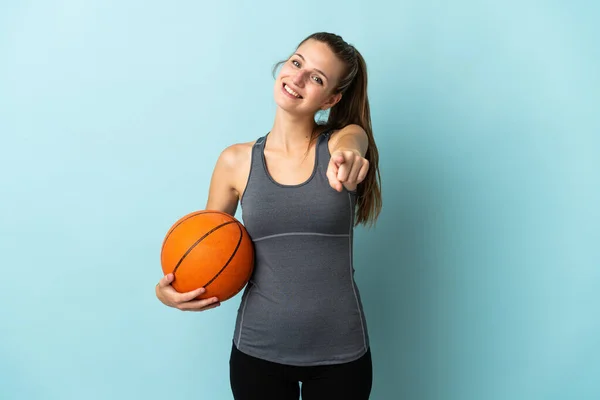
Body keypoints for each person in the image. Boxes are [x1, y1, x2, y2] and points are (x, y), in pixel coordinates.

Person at [155, 32, 382, 400]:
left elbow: (354, 141)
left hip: (341, 354)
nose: (298, 77)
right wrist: (169, 291)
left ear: (331, 99)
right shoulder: (235, 161)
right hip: (257, 353)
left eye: (317, 78)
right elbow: (207, 253)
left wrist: (352, 157)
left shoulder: (342, 144)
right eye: (297, 62)